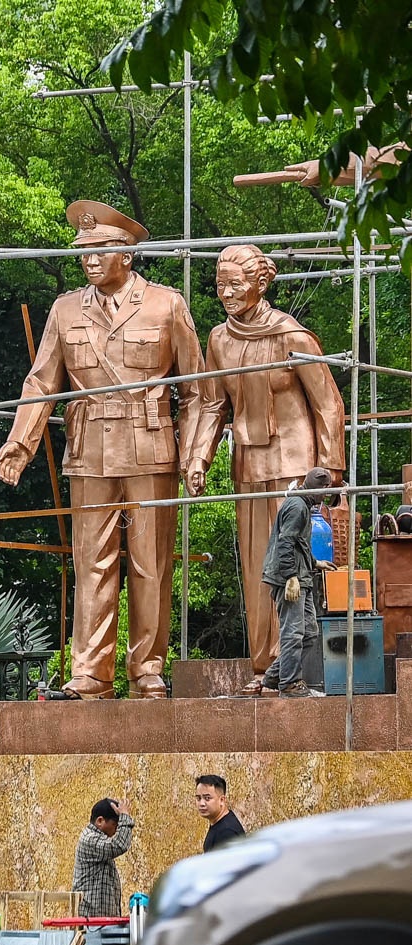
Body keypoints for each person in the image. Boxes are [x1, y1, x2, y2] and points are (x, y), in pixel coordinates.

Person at [0, 202, 211, 699]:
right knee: (91, 563)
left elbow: (198, 391)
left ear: (127, 255)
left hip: (150, 447)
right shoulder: (65, 309)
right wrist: (20, 443)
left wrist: (196, 455)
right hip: (89, 450)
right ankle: (91, 673)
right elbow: (41, 382)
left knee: (150, 564)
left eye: (100, 251)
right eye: (84, 252)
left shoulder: (166, 304)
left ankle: (147, 669)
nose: (89, 260)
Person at [191, 244, 345, 695]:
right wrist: (199, 457)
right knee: (260, 569)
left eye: (235, 284)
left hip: (294, 465)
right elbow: (211, 404)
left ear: (260, 284)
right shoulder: (219, 340)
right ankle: (265, 666)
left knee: (291, 564)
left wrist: (330, 468)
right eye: (220, 285)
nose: (226, 293)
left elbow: (328, 403)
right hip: (249, 464)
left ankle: (287, 665)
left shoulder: (291, 335)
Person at [262, 467, 336, 698]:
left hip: (301, 576)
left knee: (309, 632)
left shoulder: (303, 504)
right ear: (316, 489)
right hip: (290, 578)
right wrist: (290, 577)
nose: (326, 495)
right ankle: (289, 684)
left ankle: (275, 677)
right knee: (293, 633)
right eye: (325, 490)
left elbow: (298, 544)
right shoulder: (297, 507)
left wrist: (315, 563)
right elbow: (285, 542)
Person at [72, 797, 134, 917]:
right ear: (100, 821)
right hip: (90, 920)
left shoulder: (100, 840)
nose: (116, 830)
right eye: (114, 825)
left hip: (101, 920)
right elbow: (119, 845)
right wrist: (125, 817)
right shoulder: (89, 839)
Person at [195, 774, 246, 851]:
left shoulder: (227, 833)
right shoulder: (218, 823)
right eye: (198, 798)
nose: (201, 803)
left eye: (207, 798)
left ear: (222, 800)